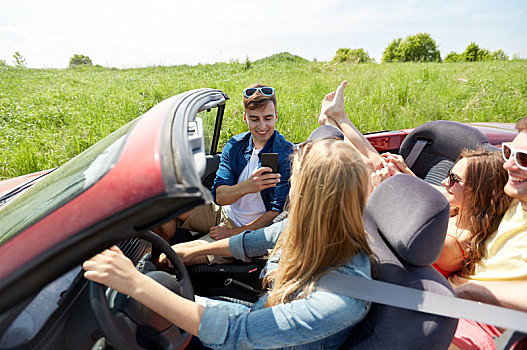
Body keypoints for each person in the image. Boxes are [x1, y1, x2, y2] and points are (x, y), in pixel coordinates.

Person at [83, 138, 374, 349]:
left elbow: (235, 334)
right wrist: (193, 250)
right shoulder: (311, 229)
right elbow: (249, 243)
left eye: (294, 179)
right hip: (255, 316)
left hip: (249, 336)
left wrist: (134, 282)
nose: (288, 188)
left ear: (311, 201)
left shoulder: (338, 302)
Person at [155, 83, 294, 243]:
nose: (262, 126)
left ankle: (169, 259)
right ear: (245, 118)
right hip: (221, 211)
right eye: (254, 119)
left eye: (268, 118)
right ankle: (158, 248)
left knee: (169, 259)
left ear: (276, 116)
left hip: (249, 230)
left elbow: (275, 215)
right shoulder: (235, 145)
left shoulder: (286, 153)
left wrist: (232, 233)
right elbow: (219, 196)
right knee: (162, 206)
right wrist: (247, 187)